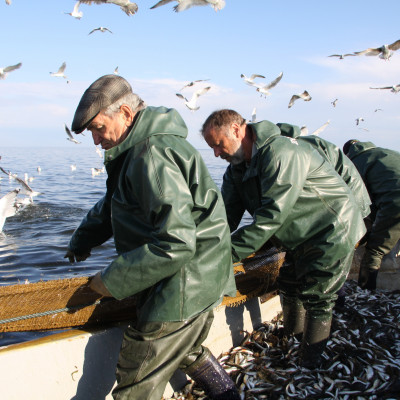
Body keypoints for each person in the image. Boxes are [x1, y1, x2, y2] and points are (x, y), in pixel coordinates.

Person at [64, 75, 239, 400]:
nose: (95, 140)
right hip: (202, 276)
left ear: (127, 114)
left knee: (137, 377)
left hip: (185, 282)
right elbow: (116, 202)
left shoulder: (150, 154)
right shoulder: (137, 149)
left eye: (99, 128)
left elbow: (176, 243)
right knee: (184, 348)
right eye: (91, 132)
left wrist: (109, 280)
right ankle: (228, 395)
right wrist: (82, 239)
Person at [200, 109, 366, 369]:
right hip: (297, 233)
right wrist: (199, 245)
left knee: (318, 294)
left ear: (236, 129)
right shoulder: (236, 170)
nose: (216, 154)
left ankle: (310, 365)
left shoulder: (280, 153)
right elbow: (224, 219)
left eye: (218, 145)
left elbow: (270, 217)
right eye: (211, 148)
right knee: (288, 281)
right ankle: (293, 340)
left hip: (331, 227)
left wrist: (223, 256)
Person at [343, 139, 400, 290]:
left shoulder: (355, 163)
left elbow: (360, 202)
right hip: (392, 200)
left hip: (394, 203)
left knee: (375, 250)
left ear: (348, 154)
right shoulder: (387, 152)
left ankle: (366, 291)